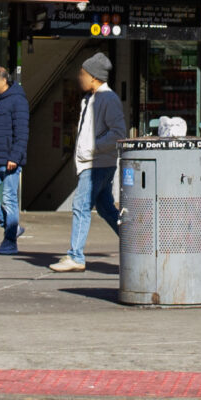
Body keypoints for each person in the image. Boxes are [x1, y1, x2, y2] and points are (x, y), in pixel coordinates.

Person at [53, 55, 125, 273]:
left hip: (96, 163)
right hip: (96, 161)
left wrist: (90, 148)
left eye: (82, 74)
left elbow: (118, 133)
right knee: (105, 208)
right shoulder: (90, 98)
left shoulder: (108, 99)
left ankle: (76, 255)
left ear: (94, 77)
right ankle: (137, 244)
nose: (79, 77)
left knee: (81, 206)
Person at [0, 63, 29, 254]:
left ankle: (10, 242)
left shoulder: (18, 101)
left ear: (3, 80)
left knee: (10, 200)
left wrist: (15, 156)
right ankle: (12, 228)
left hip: (9, 161)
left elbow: (22, 131)